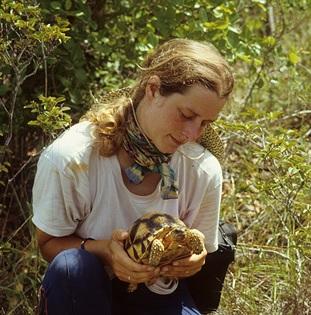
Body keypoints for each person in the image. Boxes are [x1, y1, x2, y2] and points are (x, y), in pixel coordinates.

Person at [32, 38, 234, 315]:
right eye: (186, 115)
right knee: (71, 268)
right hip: (85, 289)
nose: (192, 134)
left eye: (205, 124)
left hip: (160, 290)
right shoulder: (73, 158)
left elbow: (200, 243)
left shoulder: (202, 167)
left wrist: (195, 258)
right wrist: (105, 251)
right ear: (153, 89)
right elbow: (47, 244)